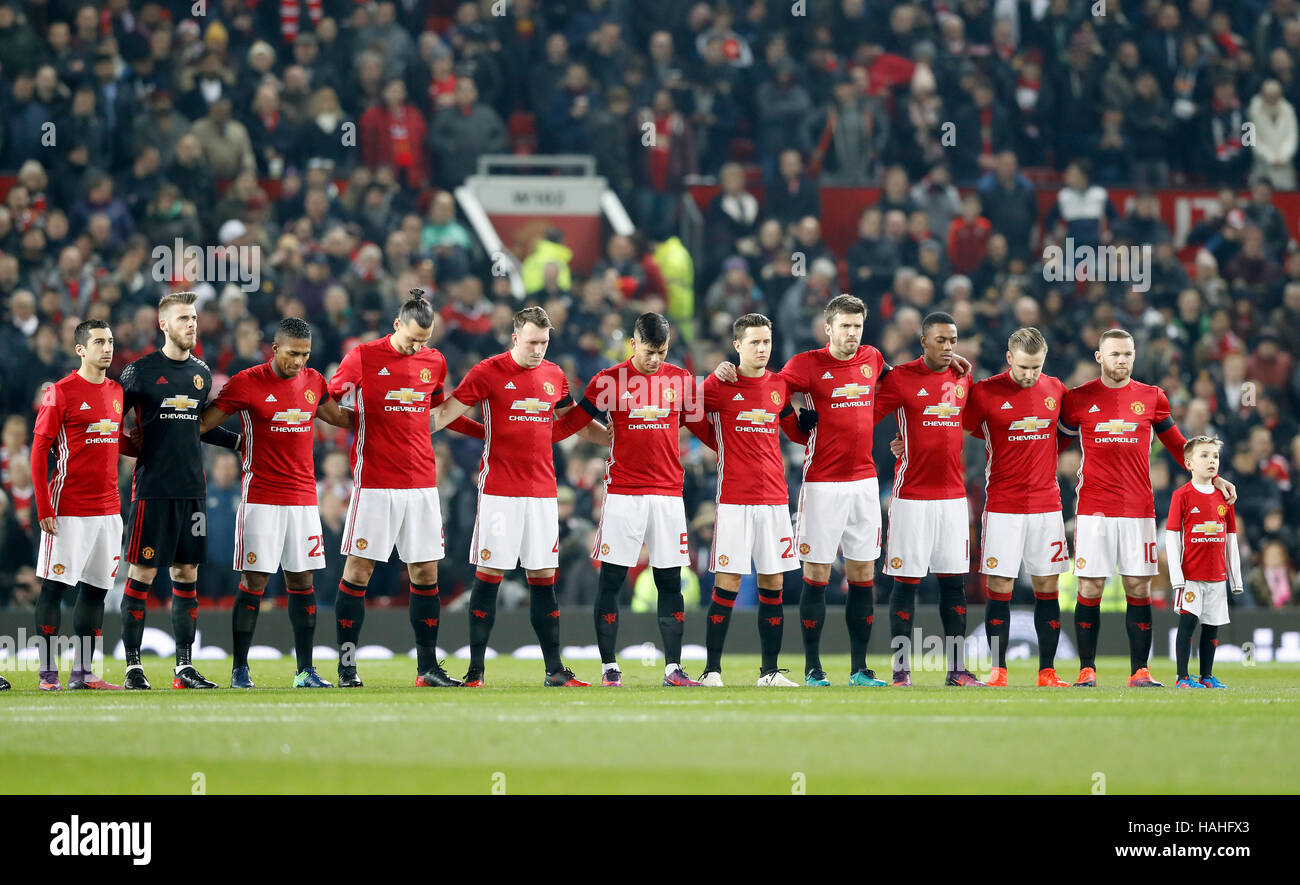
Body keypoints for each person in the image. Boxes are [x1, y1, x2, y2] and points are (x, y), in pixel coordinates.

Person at [432, 306, 610, 688]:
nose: (538, 350)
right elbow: (445, 413)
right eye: (531, 342)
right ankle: (475, 671)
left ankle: (554, 671)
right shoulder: (488, 371)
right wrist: (480, 432)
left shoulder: (554, 375)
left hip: (543, 494)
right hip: (499, 492)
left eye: (544, 342)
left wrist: (615, 437)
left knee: (543, 577)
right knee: (489, 575)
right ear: (515, 338)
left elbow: (569, 424)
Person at [1058, 329, 1236, 687]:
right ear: (1099, 358)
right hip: (1094, 510)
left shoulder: (1152, 397)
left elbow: (1178, 445)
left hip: (1138, 509)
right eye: (1114, 354)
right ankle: (1086, 670)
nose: (1121, 361)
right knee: (1090, 587)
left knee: (1138, 586)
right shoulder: (1078, 399)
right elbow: (1050, 445)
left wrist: (1212, 477)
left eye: (1127, 354)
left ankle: (1140, 670)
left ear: (1134, 356)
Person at [326, 292, 484, 688]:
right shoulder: (362, 356)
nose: (418, 347)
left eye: (425, 340)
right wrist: (357, 421)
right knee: (359, 571)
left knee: (425, 571)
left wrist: (485, 433)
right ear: (397, 324)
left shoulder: (434, 361)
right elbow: (328, 400)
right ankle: (347, 666)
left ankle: (427, 668)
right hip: (375, 484)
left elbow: (435, 413)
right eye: (412, 338)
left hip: (421, 485)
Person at [553, 312, 711, 687]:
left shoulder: (682, 379)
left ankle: (673, 667)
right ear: (633, 344)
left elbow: (697, 422)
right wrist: (535, 434)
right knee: (611, 579)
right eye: (649, 351)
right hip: (623, 492)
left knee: (670, 580)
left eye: (662, 351)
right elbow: (575, 422)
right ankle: (610, 667)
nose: (655, 359)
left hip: (669, 494)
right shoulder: (609, 381)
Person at [199, 317, 354, 688]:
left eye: (305, 354)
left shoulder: (314, 382)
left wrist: (386, 416)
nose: (298, 361)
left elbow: (339, 417)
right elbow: (202, 424)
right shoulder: (247, 382)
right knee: (255, 580)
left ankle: (305, 670)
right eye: (292, 354)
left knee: (303, 582)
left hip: (303, 500)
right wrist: (235, 443)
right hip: (261, 499)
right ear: (275, 349)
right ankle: (240, 669)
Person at [118, 292, 243, 690]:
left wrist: (240, 443)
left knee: (186, 573)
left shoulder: (202, 373)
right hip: (152, 489)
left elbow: (198, 426)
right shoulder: (138, 373)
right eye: (184, 318)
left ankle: (183, 667)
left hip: (192, 490)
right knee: (143, 572)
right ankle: (133, 667)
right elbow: (110, 423)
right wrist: (131, 447)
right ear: (163, 325)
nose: (192, 323)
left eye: (194, 317)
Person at [697, 313, 817, 687]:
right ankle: (711, 669)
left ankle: (769, 672)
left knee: (773, 584)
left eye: (766, 342)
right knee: (727, 583)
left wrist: (805, 426)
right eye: (754, 342)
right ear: (737, 346)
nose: (762, 349)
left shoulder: (778, 385)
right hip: (735, 499)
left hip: (774, 499)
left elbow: (793, 433)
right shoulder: (719, 386)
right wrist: (721, 444)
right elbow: (689, 412)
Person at [872, 311, 985, 687]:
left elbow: (967, 425)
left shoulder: (962, 377)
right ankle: (901, 670)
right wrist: (896, 446)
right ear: (923, 341)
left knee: (954, 584)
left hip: (953, 499)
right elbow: (865, 416)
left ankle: (956, 669)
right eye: (940, 340)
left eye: (952, 340)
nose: (948, 347)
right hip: (911, 498)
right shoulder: (901, 379)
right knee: (906, 583)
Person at [960, 328, 1072, 687]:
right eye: (1024, 367)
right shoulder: (986, 392)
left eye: (1036, 367)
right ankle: (998, 670)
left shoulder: (1056, 389)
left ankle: (1048, 671)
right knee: (1000, 584)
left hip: (1046, 505)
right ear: (1010, 358)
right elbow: (959, 427)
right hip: (1003, 505)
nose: (1030, 375)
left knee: (1047, 586)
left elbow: (1065, 433)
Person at [30, 320, 130, 690]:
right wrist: (44, 508)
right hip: (68, 508)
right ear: (80, 350)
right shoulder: (61, 391)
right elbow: (40, 450)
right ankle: (47, 674)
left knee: (96, 591)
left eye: (111, 341)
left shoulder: (117, 392)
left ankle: (84, 674)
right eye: (99, 342)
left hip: (109, 510)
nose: (107, 348)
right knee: (55, 587)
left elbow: (117, 443)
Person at [1167, 436, 1243, 689]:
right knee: (1188, 624)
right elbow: (1172, 537)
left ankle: (1207, 676)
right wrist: (1177, 577)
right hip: (1191, 576)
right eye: (1204, 456)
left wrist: (1235, 579)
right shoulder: (1182, 495)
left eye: (1215, 456)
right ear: (1188, 462)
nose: (1211, 460)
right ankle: (1181, 677)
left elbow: (1230, 539)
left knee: (1212, 627)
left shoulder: (1225, 496)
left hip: (1217, 576)